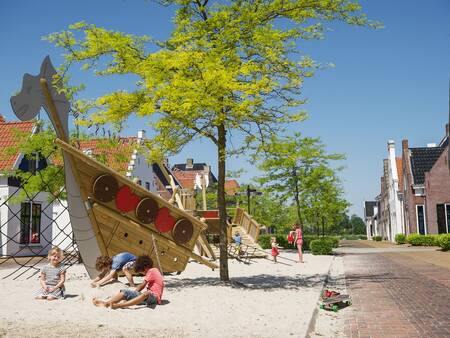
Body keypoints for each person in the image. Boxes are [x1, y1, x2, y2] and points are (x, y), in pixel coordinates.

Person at [92, 255, 164, 309]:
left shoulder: (152, 271)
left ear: (145, 268)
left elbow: (142, 285)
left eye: (141, 272)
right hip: (148, 299)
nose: (143, 274)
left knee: (145, 294)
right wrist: (133, 293)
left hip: (154, 298)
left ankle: (118, 305)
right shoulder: (152, 271)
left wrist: (135, 292)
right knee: (124, 292)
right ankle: (107, 303)